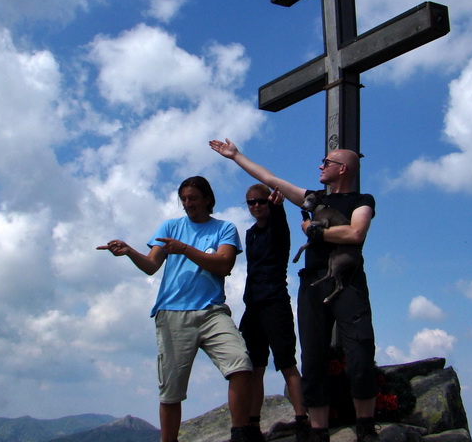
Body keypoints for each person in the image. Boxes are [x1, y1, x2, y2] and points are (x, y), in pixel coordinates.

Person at [209, 140, 379, 442]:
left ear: (342, 169)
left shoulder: (362, 200)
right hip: (312, 283)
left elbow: (355, 233)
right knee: (312, 356)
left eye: (326, 162)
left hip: (348, 281)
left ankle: (365, 428)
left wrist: (316, 231)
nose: (320, 166)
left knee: (360, 352)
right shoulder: (313, 199)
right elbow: (271, 180)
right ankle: (317, 431)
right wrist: (235, 156)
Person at [98, 176, 254, 442]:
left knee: (241, 364)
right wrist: (129, 251)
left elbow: (224, 264)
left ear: (207, 198)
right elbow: (151, 265)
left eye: (192, 198)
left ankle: (240, 434)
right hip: (172, 312)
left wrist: (183, 248)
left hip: (212, 311)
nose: (187, 203)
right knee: (171, 390)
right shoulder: (170, 226)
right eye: (183, 199)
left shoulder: (225, 228)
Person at [240, 184, 308, 442]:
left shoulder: (278, 229)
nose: (256, 206)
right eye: (251, 203)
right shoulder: (250, 234)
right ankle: (253, 425)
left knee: (286, 364)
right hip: (254, 307)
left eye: (261, 201)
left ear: (269, 203)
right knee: (255, 368)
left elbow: (279, 221)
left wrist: (278, 205)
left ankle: (303, 420)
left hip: (275, 303)